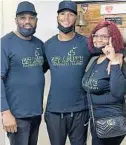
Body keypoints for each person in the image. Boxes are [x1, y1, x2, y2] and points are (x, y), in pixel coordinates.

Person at [44, 1, 92, 145]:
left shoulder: (86, 43)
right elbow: (34, 72)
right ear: (57, 17)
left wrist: (119, 56)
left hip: (80, 110)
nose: (66, 18)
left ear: (75, 19)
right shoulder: (47, 46)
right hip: (54, 111)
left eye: (71, 14)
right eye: (63, 14)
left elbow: (111, 46)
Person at [1, 1, 47, 145]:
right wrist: (5, 112)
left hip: (36, 113)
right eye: (22, 18)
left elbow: (40, 70)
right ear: (16, 20)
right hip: (16, 115)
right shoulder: (5, 43)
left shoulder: (39, 44)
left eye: (31, 18)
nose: (27, 21)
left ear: (36, 21)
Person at [82, 21, 126, 145]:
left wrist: (114, 62)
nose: (98, 39)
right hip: (96, 121)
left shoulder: (117, 60)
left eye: (104, 36)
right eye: (95, 35)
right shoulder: (95, 59)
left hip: (111, 122)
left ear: (113, 38)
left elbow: (118, 92)